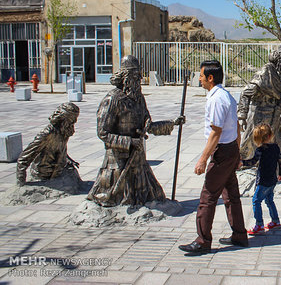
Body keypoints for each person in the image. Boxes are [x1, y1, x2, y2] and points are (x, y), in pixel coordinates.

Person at [88, 55, 184, 207]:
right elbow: (103, 133)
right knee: (115, 199)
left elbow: (148, 126)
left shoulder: (139, 99)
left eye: (139, 76)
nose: (139, 80)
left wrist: (172, 123)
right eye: (135, 76)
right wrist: (130, 142)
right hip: (119, 162)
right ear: (125, 77)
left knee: (155, 195)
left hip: (138, 160)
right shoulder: (113, 99)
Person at [179, 60, 248, 255]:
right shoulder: (226, 95)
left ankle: (202, 240)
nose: (199, 79)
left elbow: (215, 133)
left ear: (210, 78)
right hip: (230, 150)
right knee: (231, 196)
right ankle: (239, 235)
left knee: (208, 196)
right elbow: (235, 127)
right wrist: (238, 152)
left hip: (222, 152)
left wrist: (203, 159)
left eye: (201, 75)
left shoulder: (217, 99)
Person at [237, 41, 281, 174]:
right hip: (260, 118)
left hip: (274, 116)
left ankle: (280, 173)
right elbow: (246, 93)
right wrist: (242, 116)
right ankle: (248, 172)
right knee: (251, 149)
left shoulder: (278, 74)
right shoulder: (266, 72)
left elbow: (279, 98)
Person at [16, 102, 80, 185]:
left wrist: (67, 159)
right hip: (45, 174)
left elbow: (58, 148)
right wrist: (21, 181)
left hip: (57, 170)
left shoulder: (63, 131)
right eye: (72, 120)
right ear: (63, 118)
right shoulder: (47, 134)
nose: (74, 122)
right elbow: (23, 158)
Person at [242, 123, 281, 235]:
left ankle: (259, 224)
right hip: (272, 179)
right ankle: (275, 221)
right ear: (271, 135)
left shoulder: (260, 150)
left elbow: (252, 162)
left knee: (256, 200)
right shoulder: (275, 147)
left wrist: (242, 162)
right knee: (269, 200)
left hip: (263, 181)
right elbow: (280, 161)